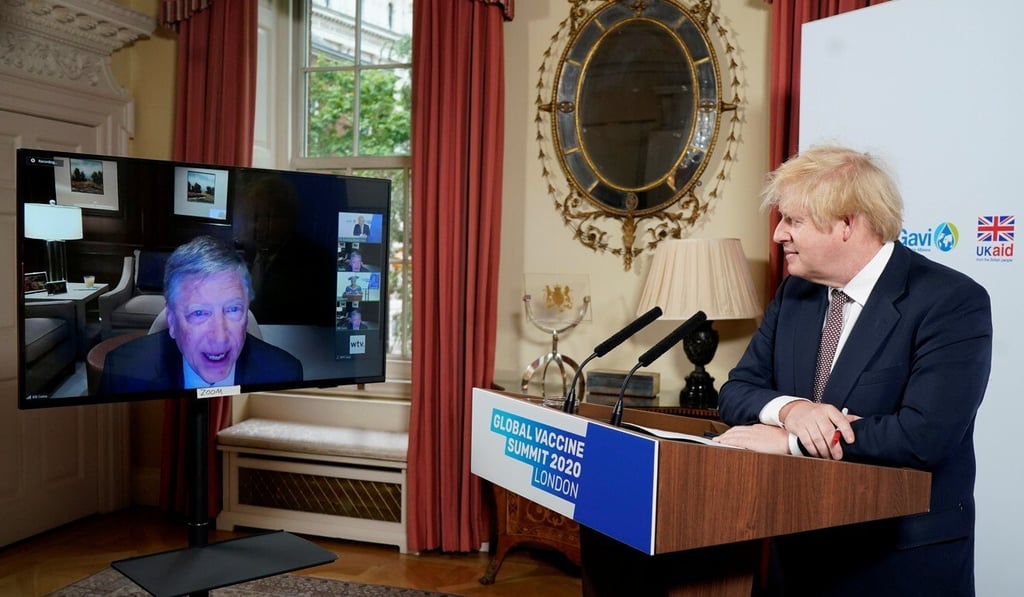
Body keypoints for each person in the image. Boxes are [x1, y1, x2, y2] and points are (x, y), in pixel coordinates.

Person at [714, 146, 992, 596]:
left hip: (898, 564)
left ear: (847, 223)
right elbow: (737, 390)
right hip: (799, 556)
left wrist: (791, 442)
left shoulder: (951, 300)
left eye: (793, 220)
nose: (780, 234)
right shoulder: (794, 295)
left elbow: (924, 437)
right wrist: (793, 411)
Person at [100, 235, 303, 393]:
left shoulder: (285, 373)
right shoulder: (123, 371)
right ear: (172, 322)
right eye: (199, 313)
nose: (220, 337)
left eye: (232, 309)